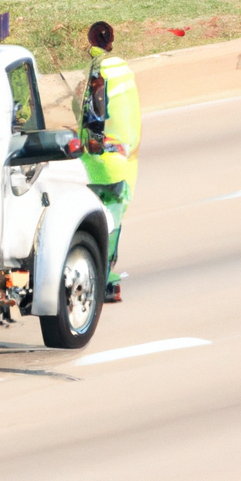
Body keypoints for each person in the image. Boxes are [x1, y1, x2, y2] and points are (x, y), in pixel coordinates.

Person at [76, 20, 140, 303]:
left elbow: (95, 113)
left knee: (97, 222)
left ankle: (101, 281)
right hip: (127, 159)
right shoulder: (124, 68)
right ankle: (110, 282)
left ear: (90, 39)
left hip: (101, 160)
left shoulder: (96, 69)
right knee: (114, 221)